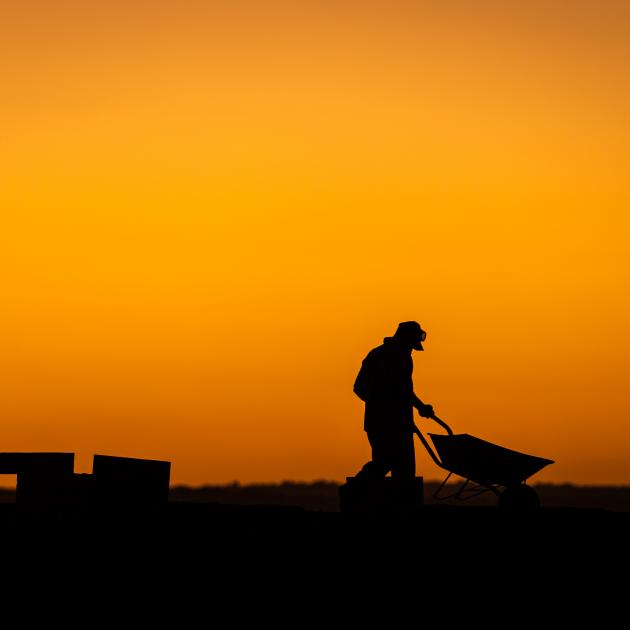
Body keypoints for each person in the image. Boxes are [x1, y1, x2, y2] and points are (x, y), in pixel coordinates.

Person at [353, 321, 435, 480]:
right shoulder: (400, 358)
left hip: (379, 422)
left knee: (385, 462)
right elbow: (402, 390)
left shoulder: (376, 354)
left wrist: (375, 404)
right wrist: (418, 407)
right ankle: (358, 490)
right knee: (399, 468)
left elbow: (358, 388)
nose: (412, 350)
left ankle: (361, 493)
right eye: (412, 346)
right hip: (394, 424)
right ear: (406, 340)